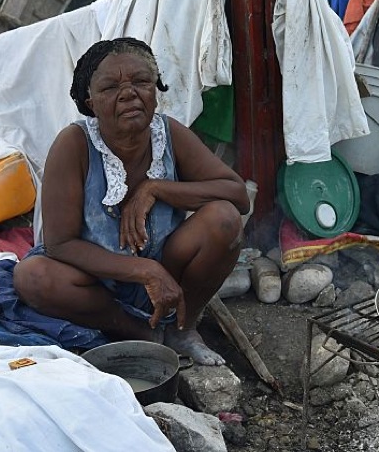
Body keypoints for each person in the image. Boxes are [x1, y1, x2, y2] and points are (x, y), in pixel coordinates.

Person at [14, 38, 250, 365]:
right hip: (95, 279)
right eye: (110, 87)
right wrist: (144, 270)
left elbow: (237, 196)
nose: (128, 93)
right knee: (31, 276)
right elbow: (60, 245)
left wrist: (156, 188)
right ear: (91, 102)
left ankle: (182, 328)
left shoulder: (168, 134)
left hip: (168, 266)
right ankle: (140, 331)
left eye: (141, 82)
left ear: (155, 90)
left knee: (223, 219)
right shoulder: (75, 144)